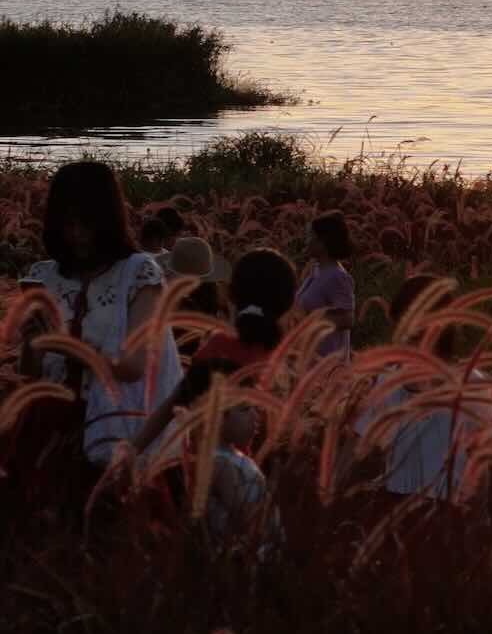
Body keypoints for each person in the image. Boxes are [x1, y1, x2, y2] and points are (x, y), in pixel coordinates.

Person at [14, 161, 184, 473]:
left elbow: (134, 366)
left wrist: (65, 344)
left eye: (87, 224)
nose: (77, 235)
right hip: (49, 430)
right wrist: (31, 342)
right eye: (68, 224)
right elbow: (31, 373)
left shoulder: (138, 274)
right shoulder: (44, 276)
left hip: (114, 432)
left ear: (108, 221)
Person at [128, 250, 294, 552]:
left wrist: (132, 451)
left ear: (233, 292)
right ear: (286, 303)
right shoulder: (280, 355)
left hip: (213, 472)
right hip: (257, 475)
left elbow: (175, 402)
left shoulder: (220, 345)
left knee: (219, 548)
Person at [355, 275, 492, 503]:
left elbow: (481, 462)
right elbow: (366, 450)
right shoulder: (387, 380)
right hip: (396, 508)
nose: (403, 338)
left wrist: (476, 516)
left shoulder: (471, 384)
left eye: (413, 330)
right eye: (400, 328)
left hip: (448, 511)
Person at [296, 212, 357, 361]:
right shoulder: (316, 270)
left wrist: (307, 322)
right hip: (309, 361)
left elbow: (346, 319)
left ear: (322, 242)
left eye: (310, 236)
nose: (306, 241)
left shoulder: (337, 276)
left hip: (327, 364)